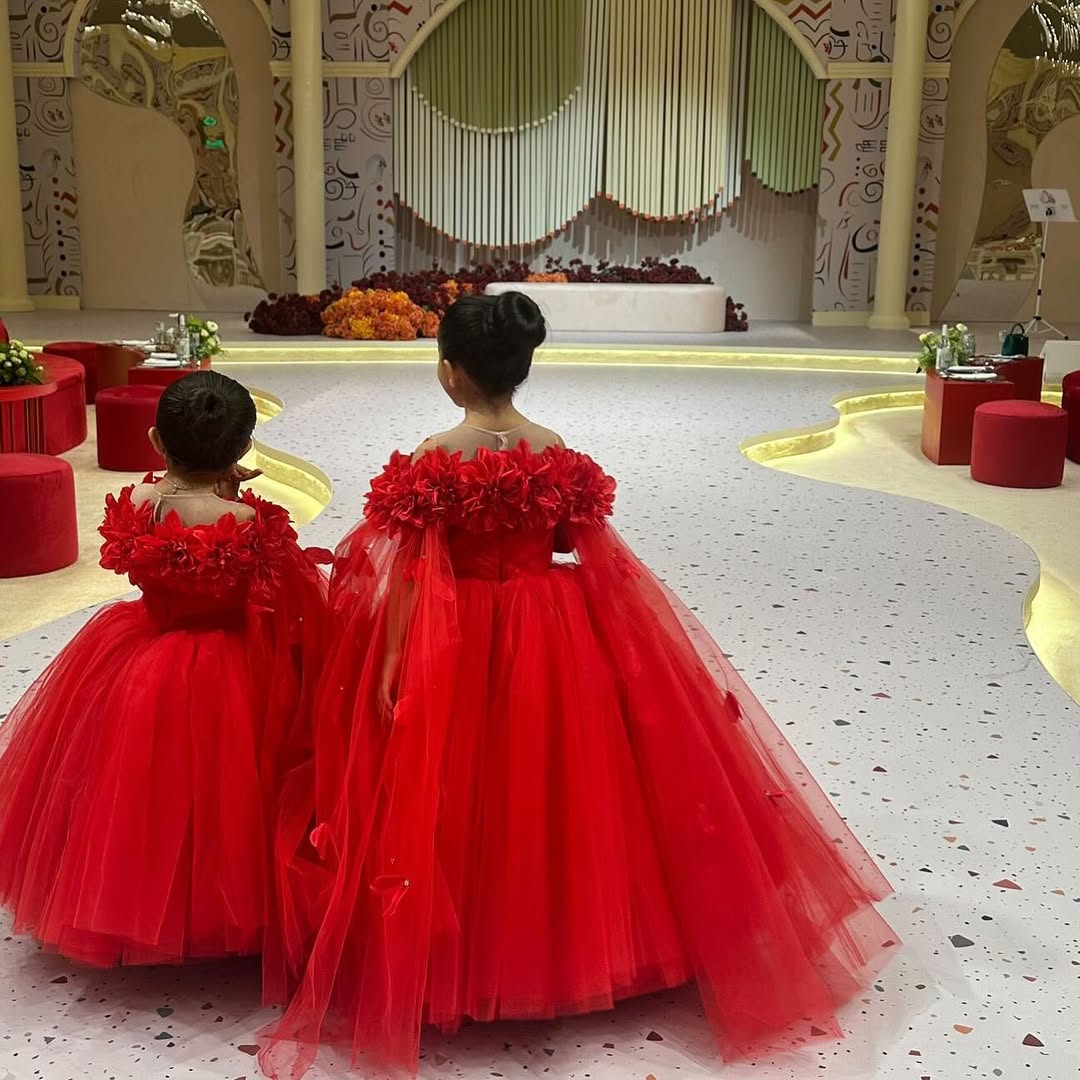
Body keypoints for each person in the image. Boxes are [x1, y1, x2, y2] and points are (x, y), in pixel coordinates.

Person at [259, 293, 898, 1079]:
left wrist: (391, 660)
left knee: (464, 784)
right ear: (521, 369)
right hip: (549, 629)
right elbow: (581, 547)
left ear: (449, 373)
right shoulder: (555, 450)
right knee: (555, 780)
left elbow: (415, 573)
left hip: (453, 637)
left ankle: (475, 949)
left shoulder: (431, 458)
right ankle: (565, 938)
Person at [0, 371, 326, 967]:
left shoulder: (139, 507)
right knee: (234, 791)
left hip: (146, 657)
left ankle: (141, 904)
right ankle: (231, 912)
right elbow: (286, 596)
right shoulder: (250, 520)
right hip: (237, 667)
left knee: (139, 789)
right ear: (243, 448)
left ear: (156, 440)